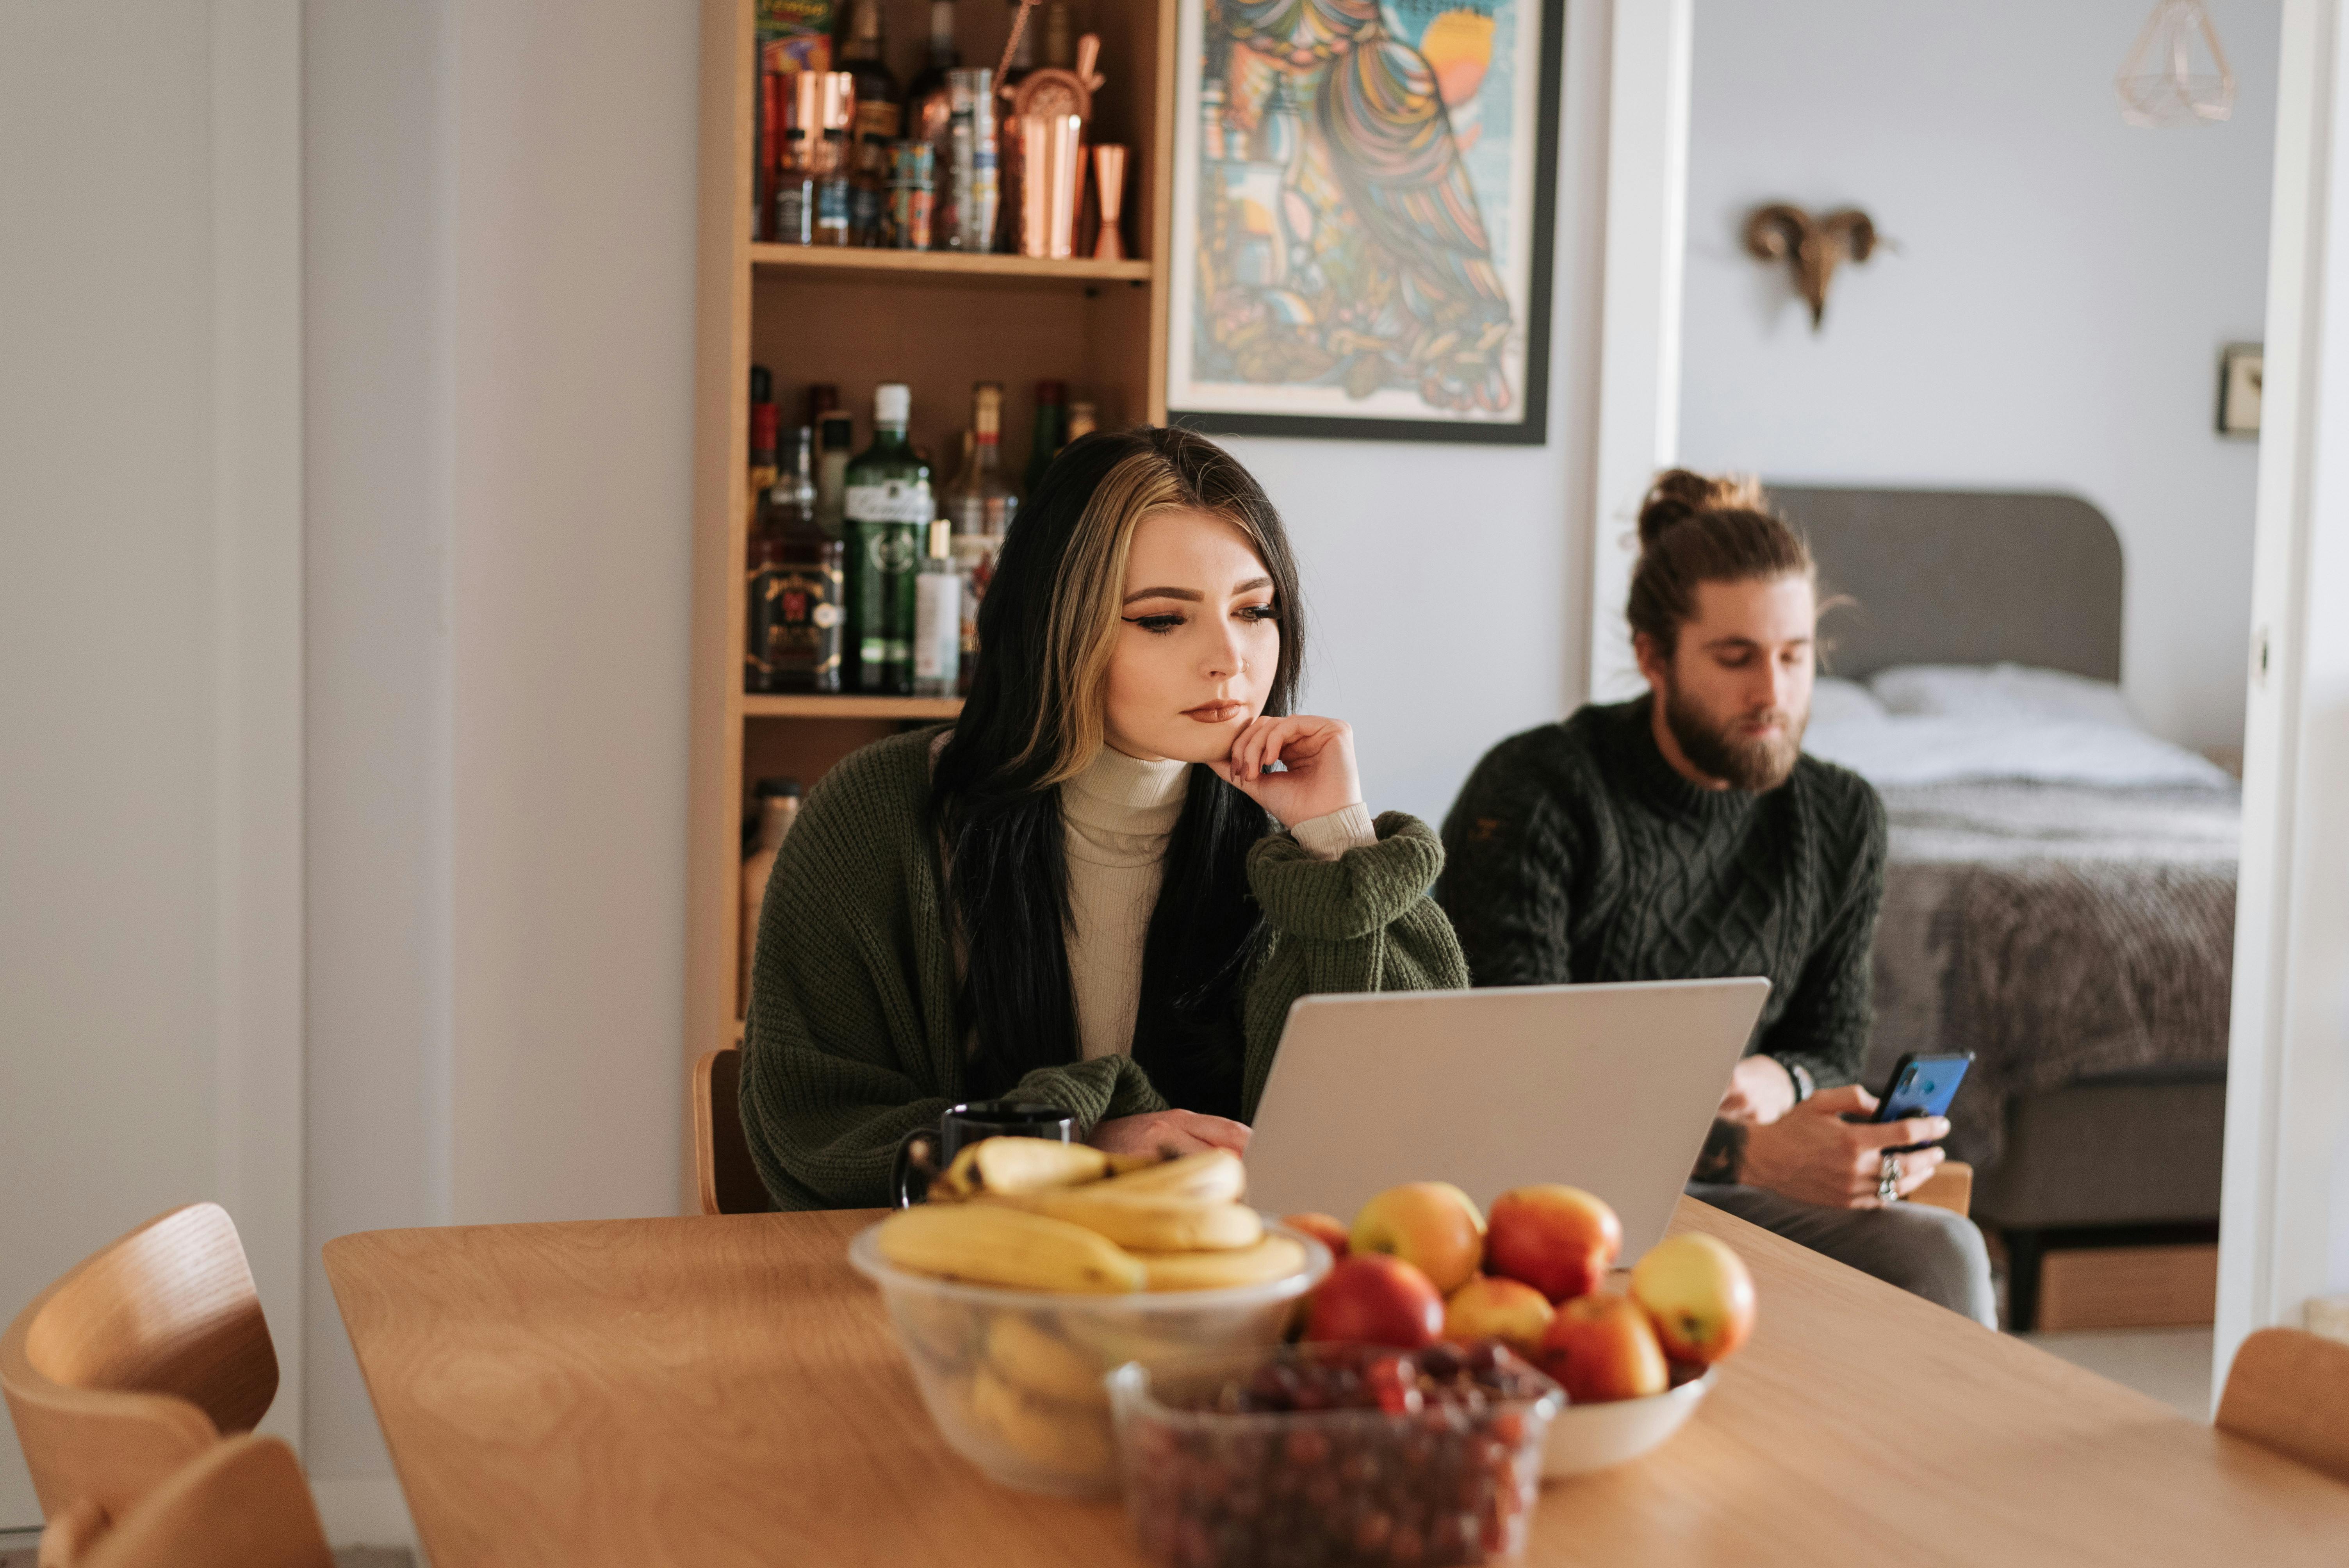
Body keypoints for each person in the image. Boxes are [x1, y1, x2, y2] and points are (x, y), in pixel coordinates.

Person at [741, 426, 1467, 1209]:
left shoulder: (1293, 827)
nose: (1230, 658)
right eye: (1162, 619)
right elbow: (812, 1130)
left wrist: (1338, 845)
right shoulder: (881, 814)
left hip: (1243, 1295)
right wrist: (1074, 1143)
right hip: (947, 1295)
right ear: (1056, 625)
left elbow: (1421, 1120)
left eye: (1254, 610)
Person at [1436, 470, 1997, 1327]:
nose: (1771, 694)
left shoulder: (1840, 816)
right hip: (1552, 1190)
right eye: (1734, 659)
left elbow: (1832, 1041)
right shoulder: (1537, 790)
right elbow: (1518, 1074)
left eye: (1794, 656)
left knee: (1943, 1248)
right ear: (1651, 657)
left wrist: (1778, 1077)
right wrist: (1746, 1152)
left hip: (1722, 1181)